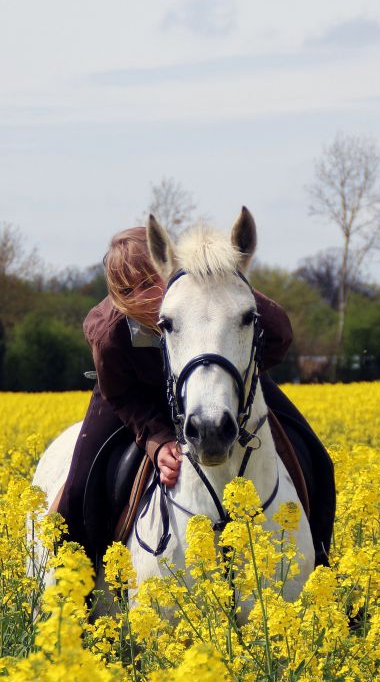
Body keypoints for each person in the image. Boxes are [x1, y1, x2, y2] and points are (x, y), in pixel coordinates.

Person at [55, 225, 336, 565]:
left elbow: (278, 338)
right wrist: (157, 439)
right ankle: (71, 576)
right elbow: (122, 394)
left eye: (149, 282)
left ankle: (322, 562)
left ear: (169, 267)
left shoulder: (208, 291)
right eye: (127, 291)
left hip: (222, 379)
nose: (141, 297)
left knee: (314, 454)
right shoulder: (111, 334)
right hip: (136, 393)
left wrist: (230, 285)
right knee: (81, 485)